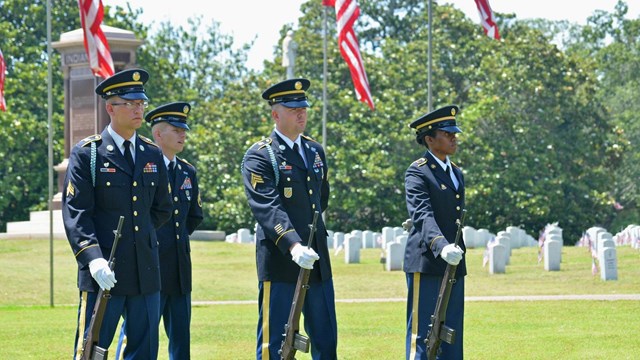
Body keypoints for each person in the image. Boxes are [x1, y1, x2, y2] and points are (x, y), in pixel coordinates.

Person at [62, 68, 172, 360]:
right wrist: (93, 258)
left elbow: (162, 208)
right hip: (104, 271)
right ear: (110, 107)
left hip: (144, 272)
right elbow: (77, 214)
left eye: (141, 103)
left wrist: (142, 239)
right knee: (91, 351)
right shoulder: (89, 154)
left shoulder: (151, 154)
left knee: (144, 352)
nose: (139, 109)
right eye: (131, 103)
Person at [241, 78, 337, 359]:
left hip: (316, 257)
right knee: (277, 343)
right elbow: (266, 205)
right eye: (293, 108)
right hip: (281, 258)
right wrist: (293, 244)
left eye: (303, 108)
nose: (301, 114)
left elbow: (321, 198)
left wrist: (308, 243)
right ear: (275, 114)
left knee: (326, 338)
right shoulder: (261, 155)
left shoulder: (314, 151)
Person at [115, 102, 204, 360]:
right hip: (149, 268)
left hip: (178, 270)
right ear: (157, 134)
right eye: (175, 130)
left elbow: (193, 217)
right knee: (139, 337)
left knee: (181, 342)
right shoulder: (142, 167)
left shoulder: (187, 171)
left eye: (183, 130)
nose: (182, 135)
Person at [404, 105, 466, 360]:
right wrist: (441, 246)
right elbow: (421, 214)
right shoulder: (418, 171)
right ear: (429, 139)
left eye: (454, 133)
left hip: (454, 263)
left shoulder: (456, 173)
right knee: (423, 336)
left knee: (452, 335)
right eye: (446, 133)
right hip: (428, 261)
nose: (454, 137)